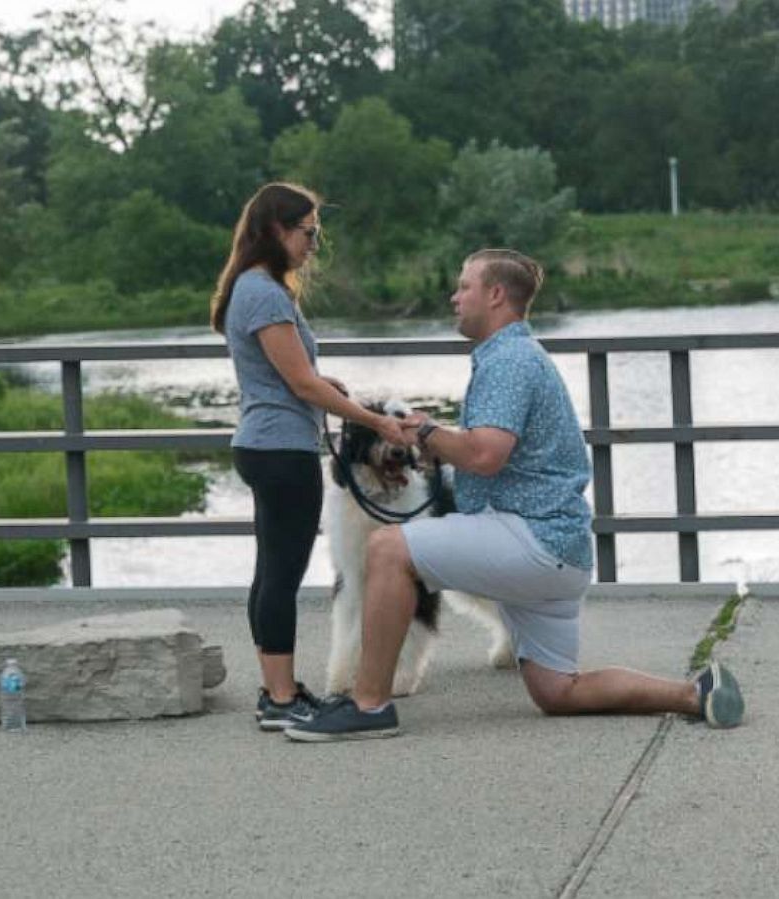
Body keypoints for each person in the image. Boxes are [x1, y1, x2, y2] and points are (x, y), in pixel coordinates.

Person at [284, 248, 744, 742]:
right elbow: (488, 455)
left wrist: (425, 434)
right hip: (561, 553)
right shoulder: (520, 356)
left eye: (465, 286)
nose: (454, 296)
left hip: (529, 539)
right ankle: (694, 693)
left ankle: (368, 705)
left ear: (496, 295)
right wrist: (438, 443)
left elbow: (484, 455)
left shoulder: (508, 361)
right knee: (557, 691)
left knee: (388, 547)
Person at [211, 182, 407, 732]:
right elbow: (299, 384)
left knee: (269, 571)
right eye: (308, 232)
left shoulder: (251, 289)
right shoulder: (266, 294)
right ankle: (280, 696)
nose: (314, 244)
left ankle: (278, 687)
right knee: (282, 575)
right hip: (281, 448)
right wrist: (370, 419)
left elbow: (287, 375)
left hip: (263, 441)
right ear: (276, 230)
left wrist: (321, 383)